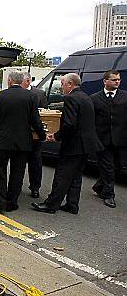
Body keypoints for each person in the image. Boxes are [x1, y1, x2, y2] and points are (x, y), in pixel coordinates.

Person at [32, 73, 103, 215]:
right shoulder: (85, 97)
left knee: (62, 175)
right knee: (76, 176)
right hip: (87, 144)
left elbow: (70, 124)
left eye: (63, 84)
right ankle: (72, 204)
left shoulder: (71, 98)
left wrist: (56, 137)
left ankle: (51, 205)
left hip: (74, 145)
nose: (62, 88)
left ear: (70, 84)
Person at [0, 71, 46, 213]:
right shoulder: (31, 97)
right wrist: (42, 135)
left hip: (3, 140)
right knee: (17, 173)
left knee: (0, 171)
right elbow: (35, 120)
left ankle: (0, 202)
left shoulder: (0, 96)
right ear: (21, 81)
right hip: (23, 141)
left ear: (9, 81)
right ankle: (12, 202)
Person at [91, 70, 127, 208]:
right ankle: (109, 194)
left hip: (120, 139)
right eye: (114, 80)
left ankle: (99, 186)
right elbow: (92, 120)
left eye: (118, 79)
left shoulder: (125, 97)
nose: (117, 82)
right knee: (108, 167)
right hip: (102, 139)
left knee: (118, 167)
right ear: (105, 81)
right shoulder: (95, 98)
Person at [21, 72, 49, 198]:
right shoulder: (15, 92)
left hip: (35, 136)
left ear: (27, 81)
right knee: (19, 163)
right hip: (20, 135)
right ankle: (16, 187)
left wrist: (41, 134)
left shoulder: (39, 93)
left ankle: (35, 188)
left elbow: (45, 114)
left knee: (35, 164)